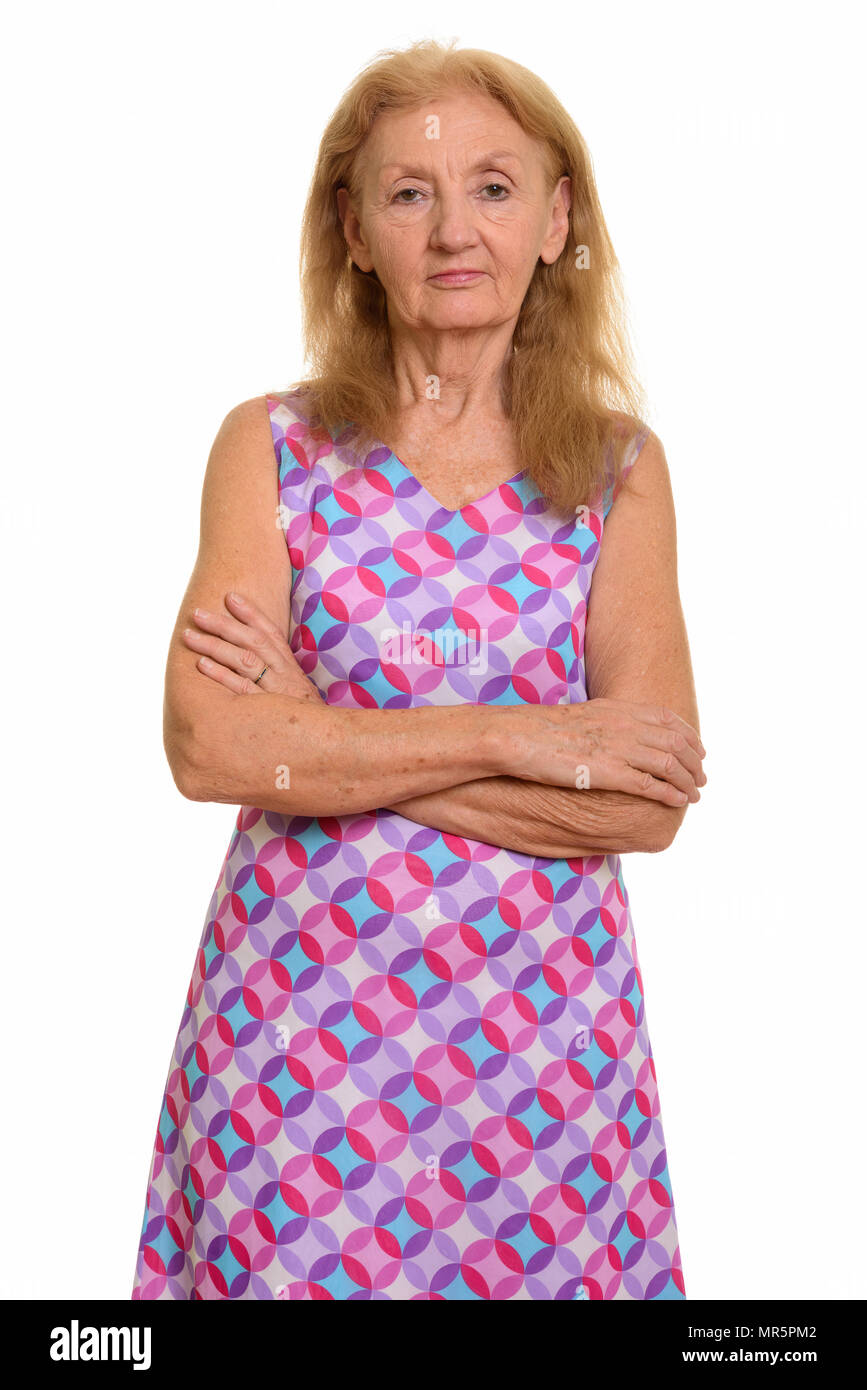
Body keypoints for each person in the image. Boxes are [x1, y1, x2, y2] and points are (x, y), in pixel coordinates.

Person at [132, 38, 706, 1301]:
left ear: (560, 220)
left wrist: (319, 729)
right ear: (352, 228)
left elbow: (647, 797)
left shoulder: (619, 473)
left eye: (496, 188)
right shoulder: (270, 449)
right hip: (297, 1063)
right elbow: (211, 746)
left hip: (544, 1064)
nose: (455, 229)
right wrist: (525, 735)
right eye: (410, 193)